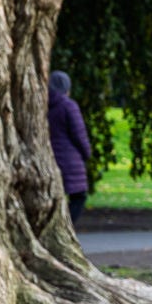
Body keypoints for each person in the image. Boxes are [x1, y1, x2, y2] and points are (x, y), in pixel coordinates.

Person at [46, 70, 92, 225]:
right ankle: (66, 227)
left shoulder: (42, 105)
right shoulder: (68, 106)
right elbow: (79, 134)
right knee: (79, 196)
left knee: (53, 196)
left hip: (48, 157)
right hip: (69, 160)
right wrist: (86, 153)